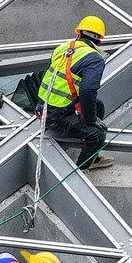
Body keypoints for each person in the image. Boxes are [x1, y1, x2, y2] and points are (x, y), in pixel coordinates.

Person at [37, 16, 113, 171]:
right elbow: (88, 90)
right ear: (99, 40)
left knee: (98, 105)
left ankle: (93, 155)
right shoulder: (94, 59)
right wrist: (91, 120)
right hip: (56, 117)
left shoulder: (63, 47)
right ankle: (82, 169)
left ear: (79, 34)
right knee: (97, 135)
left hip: (44, 108)